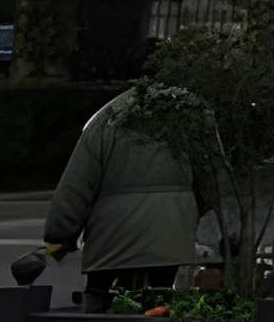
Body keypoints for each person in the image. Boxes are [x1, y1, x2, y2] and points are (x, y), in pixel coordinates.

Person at [42, 85, 216, 305]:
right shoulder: (190, 116)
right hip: (170, 232)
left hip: (110, 237)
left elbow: (76, 185)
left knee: (99, 296)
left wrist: (60, 234)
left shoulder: (106, 119)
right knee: (160, 297)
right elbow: (213, 181)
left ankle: (97, 304)